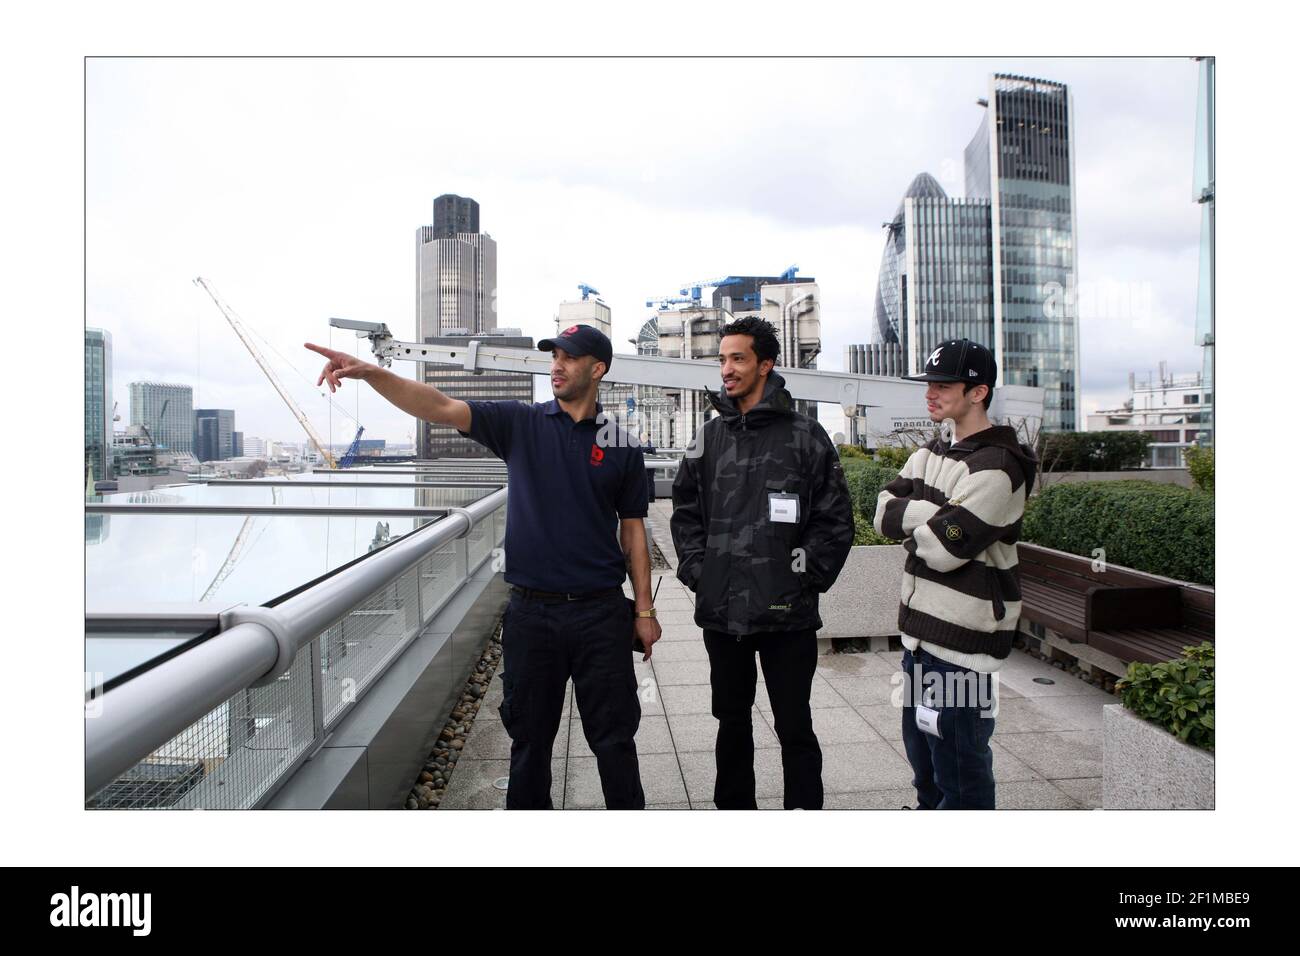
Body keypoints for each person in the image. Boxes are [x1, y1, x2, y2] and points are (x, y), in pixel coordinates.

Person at [305, 324, 662, 810]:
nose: (556, 365)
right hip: (532, 615)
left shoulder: (620, 444)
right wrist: (372, 373)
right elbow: (436, 404)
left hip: (601, 614)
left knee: (614, 741)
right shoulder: (521, 423)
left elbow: (634, 529)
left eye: (570, 357)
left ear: (597, 369)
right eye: (553, 355)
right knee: (529, 744)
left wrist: (643, 611)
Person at [670, 316, 854, 810]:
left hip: (786, 617)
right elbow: (683, 509)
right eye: (722, 359)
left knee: (795, 725)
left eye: (738, 358)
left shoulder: (806, 437)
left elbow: (835, 520)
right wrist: (698, 571)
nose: (726, 370)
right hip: (723, 613)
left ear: (765, 365)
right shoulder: (707, 438)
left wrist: (802, 578)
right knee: (731, 724)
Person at [873, 338, 1037, 810]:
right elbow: (884, 511)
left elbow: (944, 548)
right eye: (929, 383)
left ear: (978, 391)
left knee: (961, 772)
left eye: (944, 384)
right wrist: (935, 514)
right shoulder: (930, 452)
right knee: (924, 766)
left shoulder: (1001, 467)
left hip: (963, 648)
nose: (931, 392)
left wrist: (920, 519)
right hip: (919, 639)